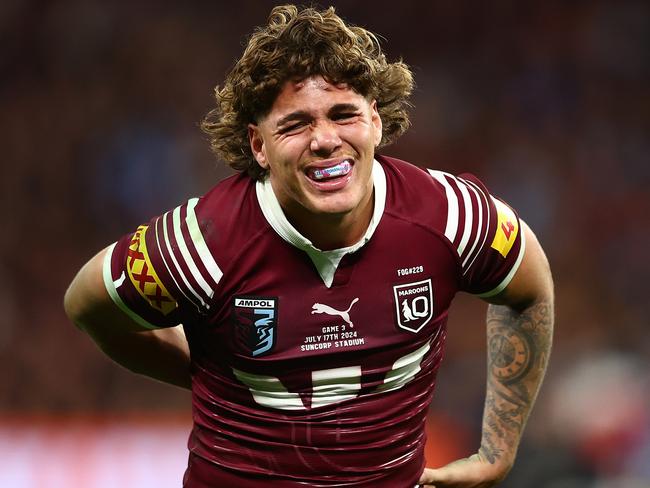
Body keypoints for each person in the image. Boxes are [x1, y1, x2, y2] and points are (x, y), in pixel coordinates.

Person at [64, 5, 554, 487]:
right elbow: (88, 305)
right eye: (296, 124)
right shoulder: (199, 246)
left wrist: (497, 452)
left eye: (344, 115)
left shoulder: (451, 217)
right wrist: (201, 370)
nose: (325, 140)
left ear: (376, 122)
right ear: (259, 145)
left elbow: (528, 290)